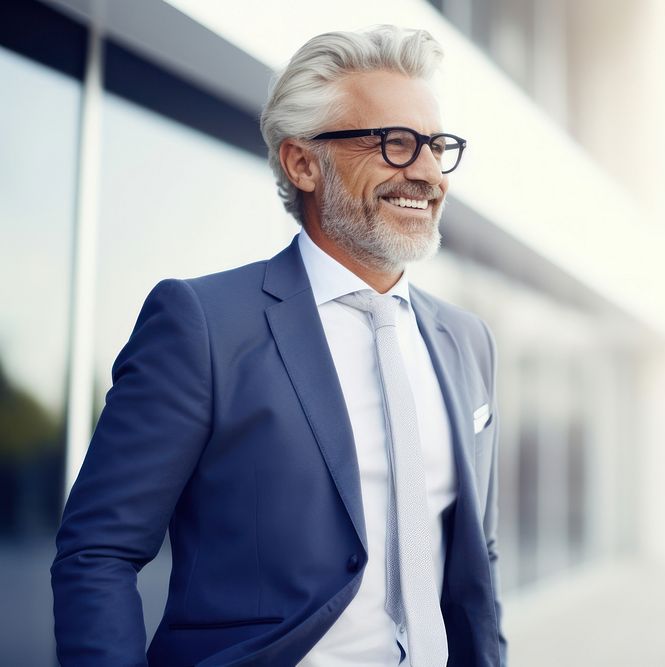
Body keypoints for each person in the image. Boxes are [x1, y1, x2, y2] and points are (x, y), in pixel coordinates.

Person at [51, 26, 505, 667]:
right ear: (302, 163)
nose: (429, 174)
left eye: (436, 146)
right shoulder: (202, 324)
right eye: (395, 145)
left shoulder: (468, 340)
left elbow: (475, 561)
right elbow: (99, 550)